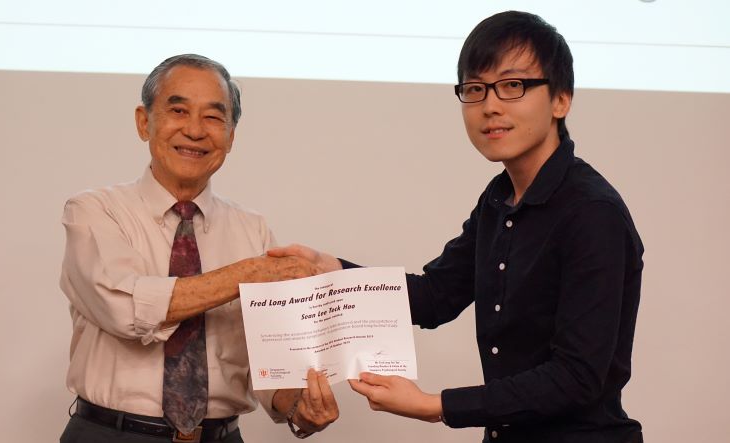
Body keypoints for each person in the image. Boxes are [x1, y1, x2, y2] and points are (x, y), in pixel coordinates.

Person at [270, 11, 644, 443]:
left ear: (561, 99)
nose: (490, 105)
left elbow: (577, 377)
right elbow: (436, 296)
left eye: (512, 86)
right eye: (475, 89)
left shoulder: (591, 211)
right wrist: (333, 269)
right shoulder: (498, 198)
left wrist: (435, 405)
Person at [59, 54, 338, 443]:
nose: (194, 130)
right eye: (178, 110)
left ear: (231, 136)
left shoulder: (252, 229)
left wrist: (298, 407)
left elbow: (268, 361)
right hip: (112, 433)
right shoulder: (95, 211)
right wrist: (247, 275)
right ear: (144, 121)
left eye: (213, 117)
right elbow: (123, 307)